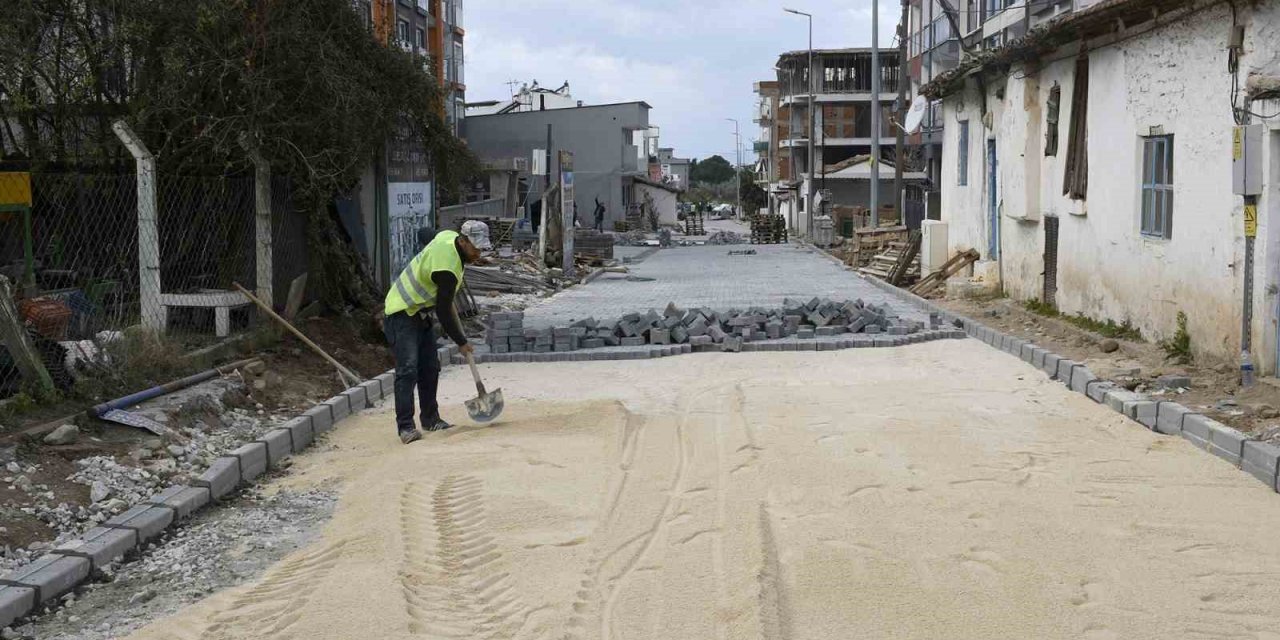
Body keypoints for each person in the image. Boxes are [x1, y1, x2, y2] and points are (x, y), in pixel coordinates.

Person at [383, 229, 483, 444]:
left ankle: (430, 419)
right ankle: (406, 428)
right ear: (463, 241)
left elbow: (428, 234)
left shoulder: (448, 237)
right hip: (401, 311)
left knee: (430, 367)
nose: (479, 254)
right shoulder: (446, 268)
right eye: (476, 248)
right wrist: (461, 342)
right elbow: (444, 311)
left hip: (420, 313)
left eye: (482, 249)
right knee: (408, 369)